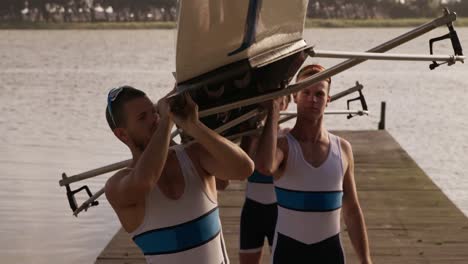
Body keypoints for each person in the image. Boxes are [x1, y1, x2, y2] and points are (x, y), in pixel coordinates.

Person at [103, 86, 254, 264]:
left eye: (154, 112)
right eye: (143, 118)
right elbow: (145, 181)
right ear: (122, 134)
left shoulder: (194, 156)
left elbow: (244, 169)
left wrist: (194, 125)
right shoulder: (117, 185)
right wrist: (166, 121)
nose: (154, 119)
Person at [255, 65, 372, 264]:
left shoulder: (343, 149)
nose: (312, 99)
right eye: (306, 92)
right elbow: (265, 166)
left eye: (319, 94)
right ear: (295, 97)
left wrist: (365, 260)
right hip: (289, 251)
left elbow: (352, 209)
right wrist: (273, 111)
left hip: (329, 252)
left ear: (328, 100)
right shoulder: (284, 146)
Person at [239, 96, 291, 264]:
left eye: (281, 99)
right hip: (253, 210)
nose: (276, 102)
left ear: (285, 105)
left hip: (278, 210)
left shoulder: (287, 135)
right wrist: (251, 130)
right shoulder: (252, 134)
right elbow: (243, 169)